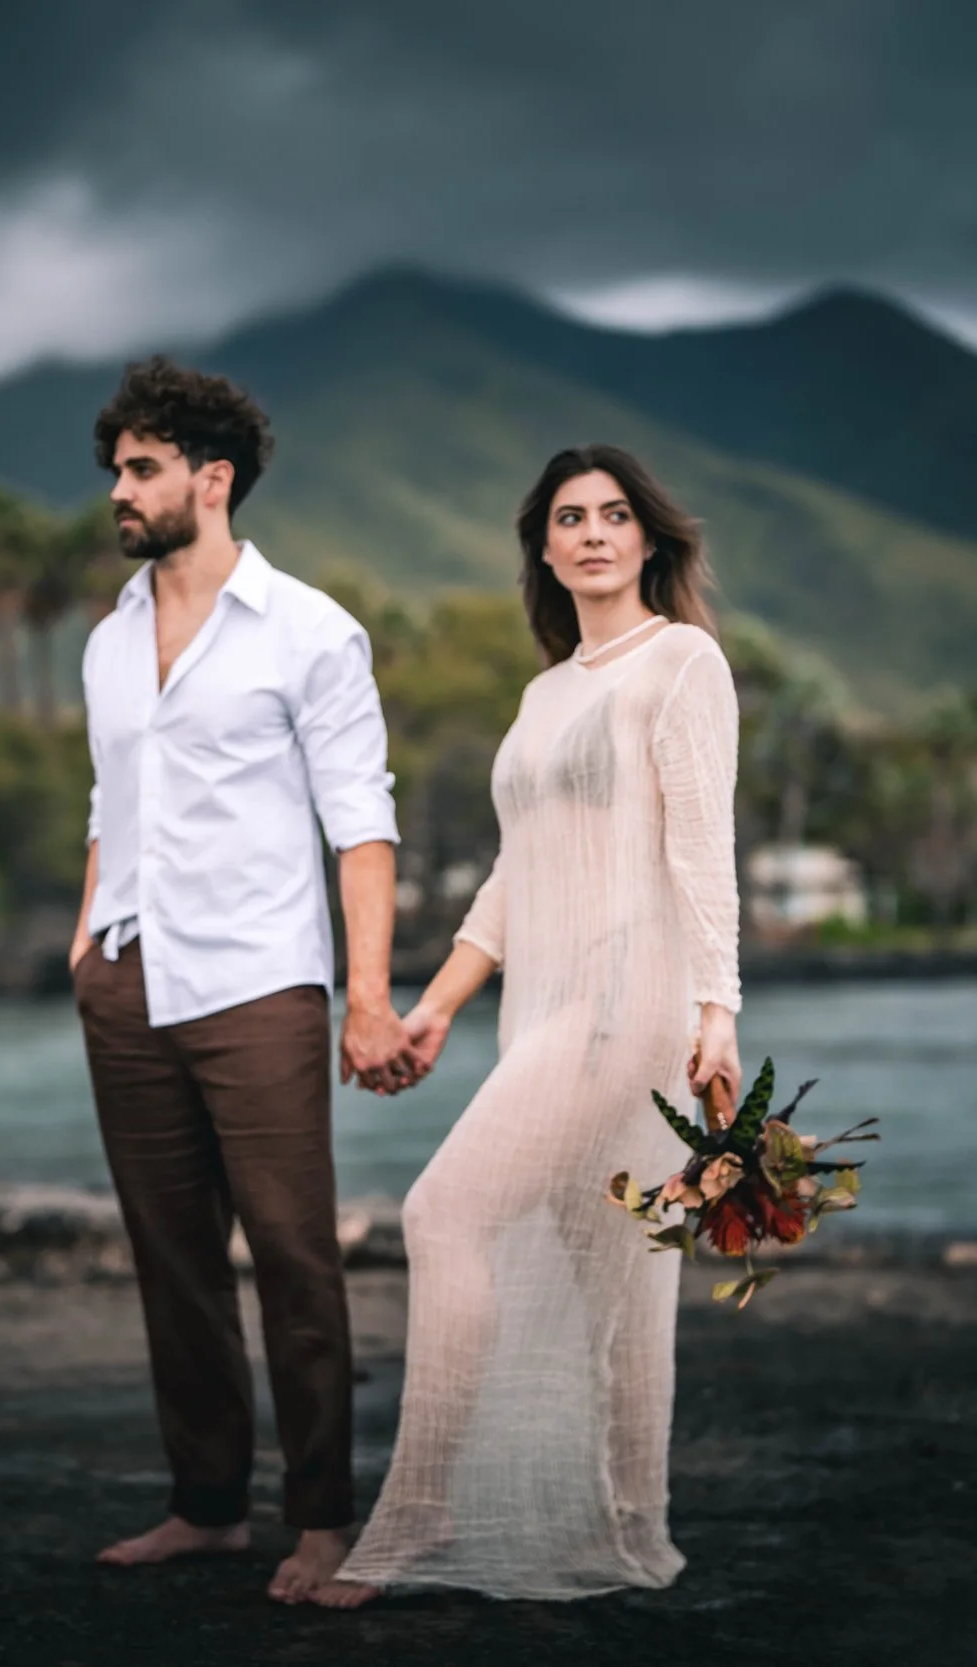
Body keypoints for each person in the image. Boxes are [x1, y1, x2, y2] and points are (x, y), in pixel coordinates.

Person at [312, 443, 742, 1606]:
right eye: (569, 517)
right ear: (544, 549)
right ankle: (633, 1525)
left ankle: (416, 1512)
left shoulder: (681, 663)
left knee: (441, 1210)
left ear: (649, 539)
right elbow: (513, 875)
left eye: (614, 514)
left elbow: (704, 853)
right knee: (613, 1277)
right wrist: (434, 1009)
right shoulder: (545, 693)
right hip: (542, 1007)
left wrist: (717, 1010)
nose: (594, 533)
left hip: (627, 1006)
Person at [71, 356, 424, 1604]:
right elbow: (113, 802)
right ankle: (207, 1506)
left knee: (289, 1254)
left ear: (210, 481)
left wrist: (366, 994)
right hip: (127, 980)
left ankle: (322, 1520)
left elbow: (360, 822)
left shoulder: (311, 630)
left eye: (141, 468)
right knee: (171, 1255)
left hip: (260, 982)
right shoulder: (109, 639)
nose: (117, 488)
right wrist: (85, 934)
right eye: (115, 467)